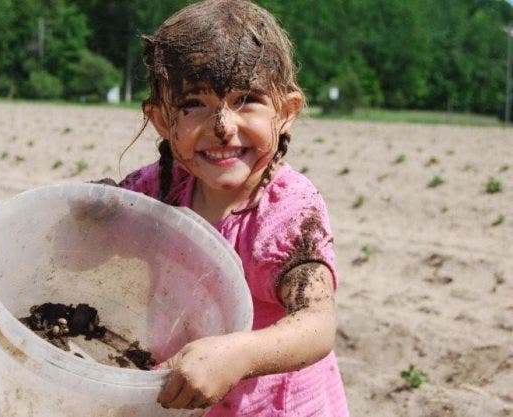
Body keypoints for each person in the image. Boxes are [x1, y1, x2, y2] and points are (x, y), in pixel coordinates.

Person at [104, 0, 350, 415]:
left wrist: (241, 355)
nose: (223, 127)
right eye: (192, 104)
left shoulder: (287, 212)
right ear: (162, 121)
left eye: (246, 99)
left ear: (286, 112)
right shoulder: (155, 189)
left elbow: (317, 324)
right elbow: (91, 237)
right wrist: (89, 213)